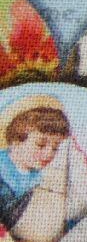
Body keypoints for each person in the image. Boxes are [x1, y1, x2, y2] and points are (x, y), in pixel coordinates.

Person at [0, 96, 69, 231]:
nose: (49, 154)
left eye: (55, 148)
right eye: (40, 145)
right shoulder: (3, 173)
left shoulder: (34, 179)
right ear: (16, 140)